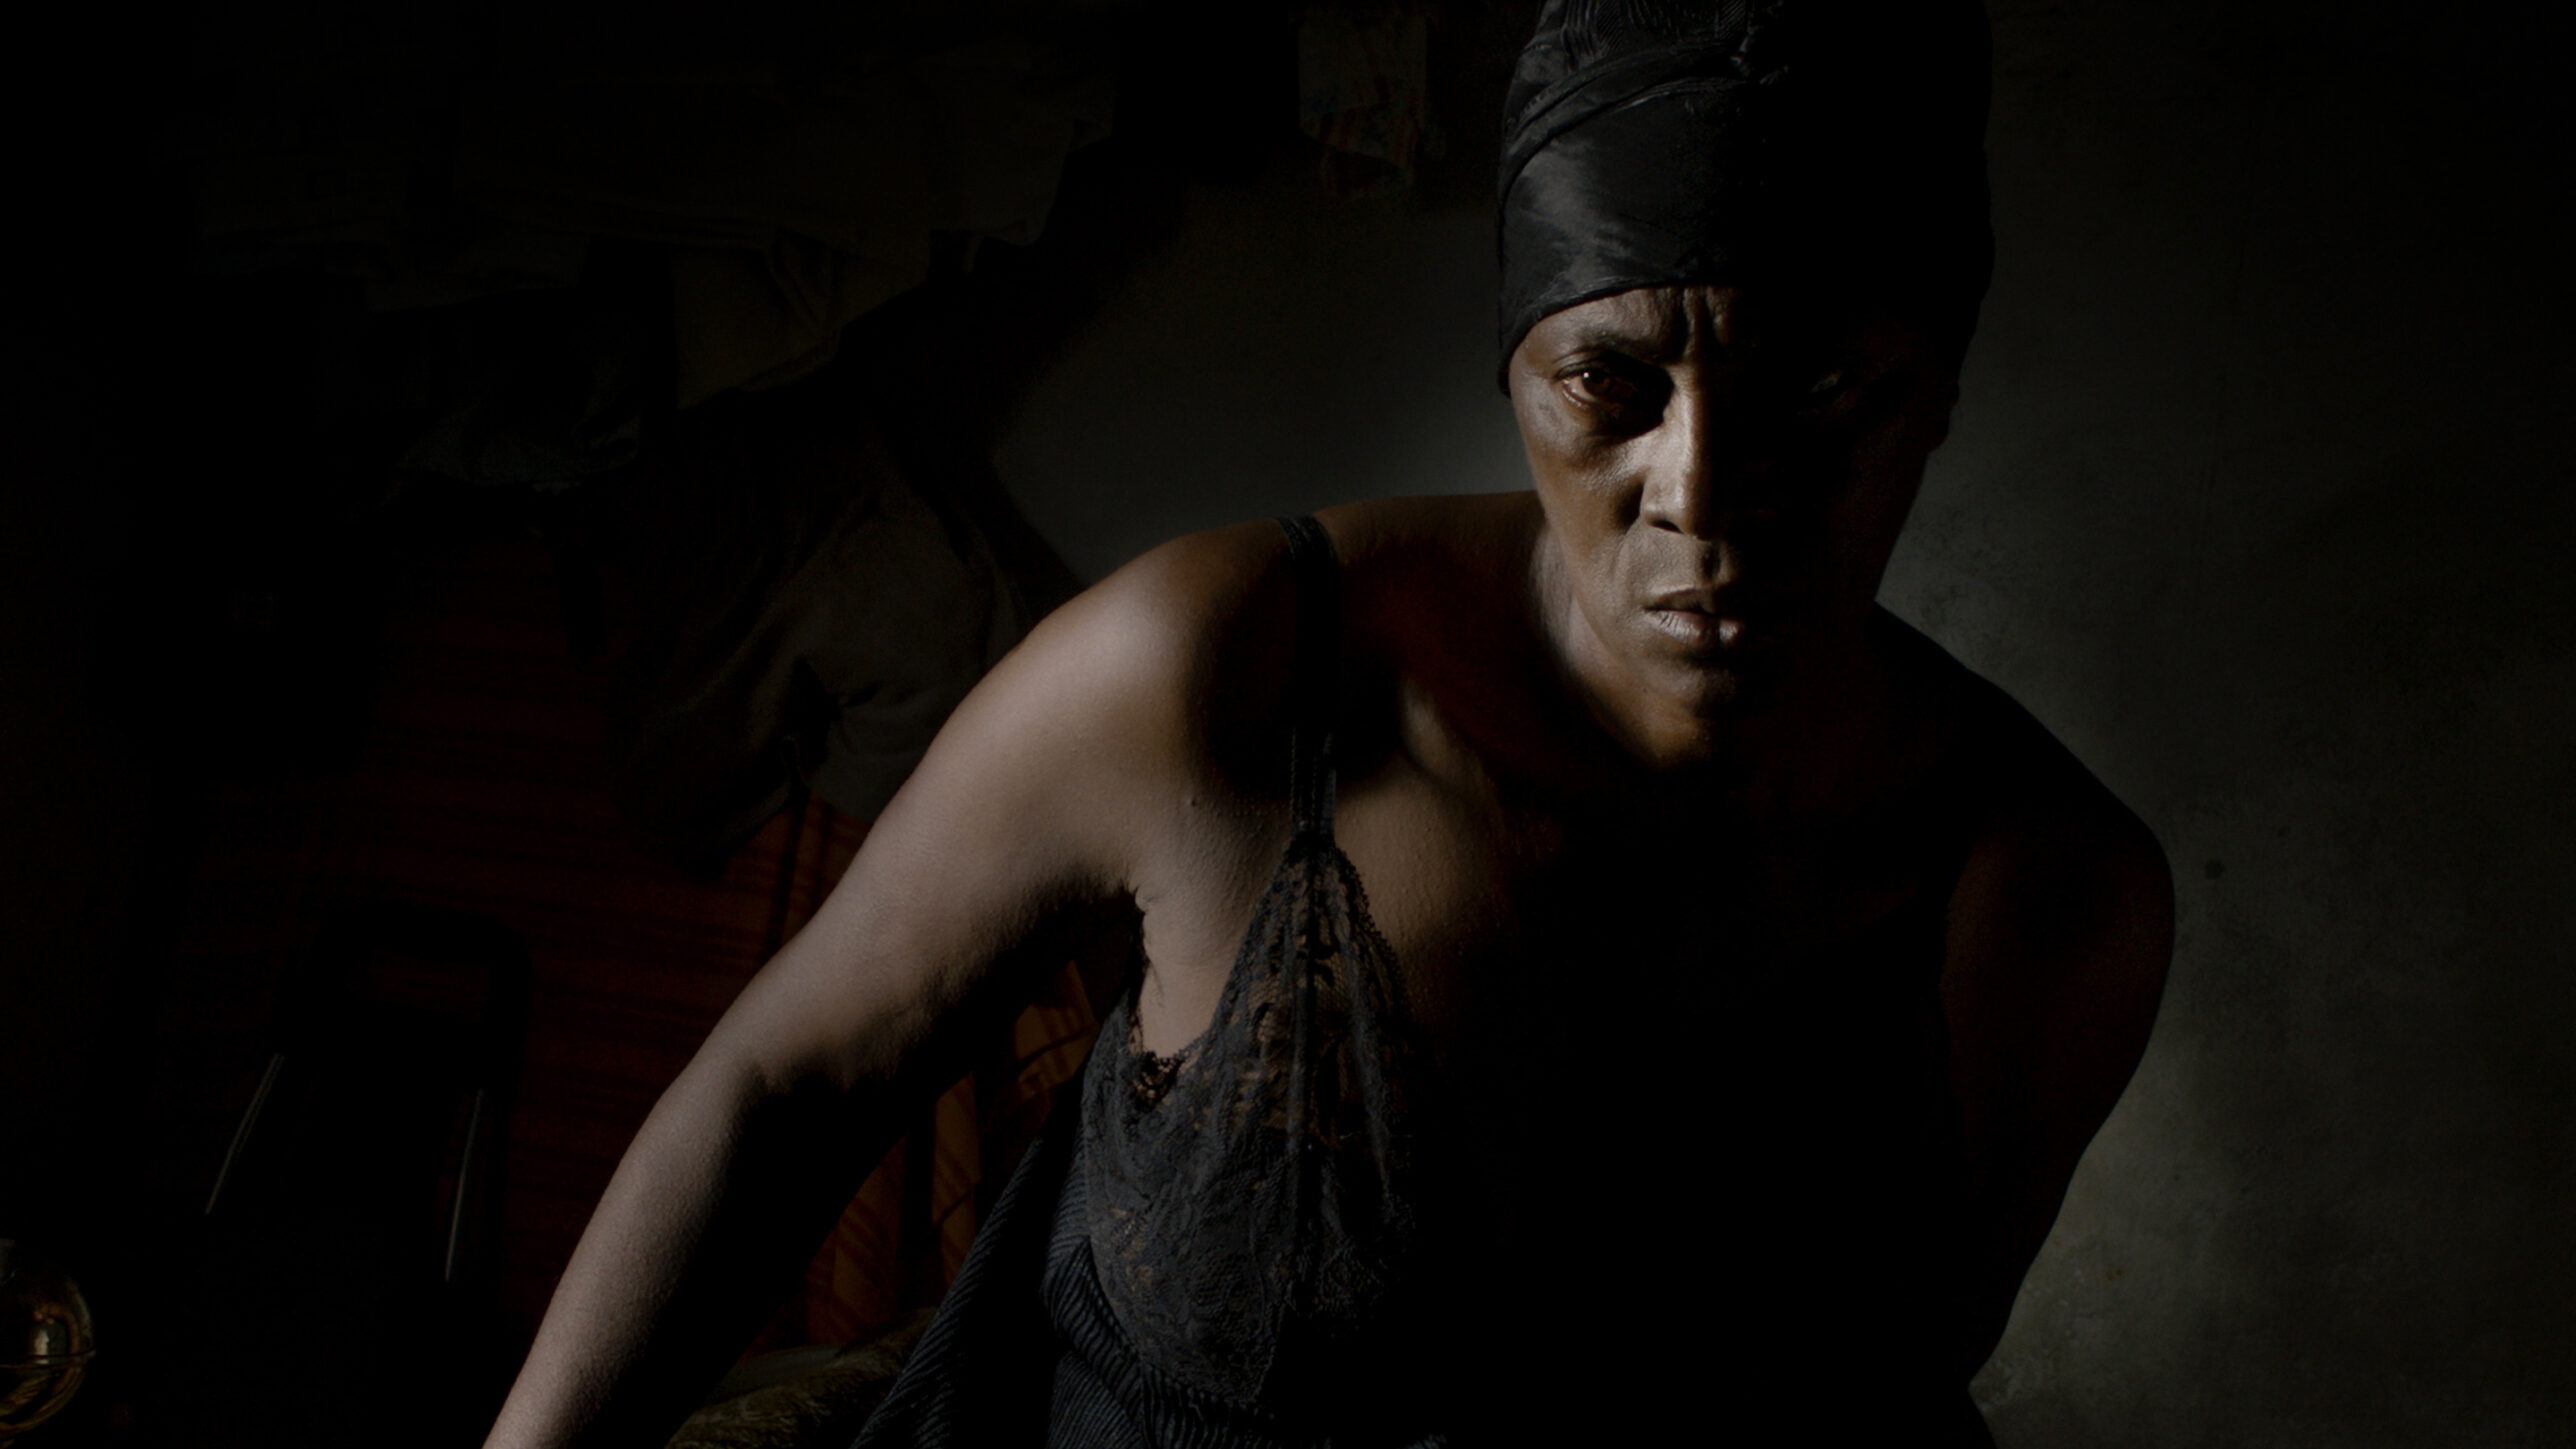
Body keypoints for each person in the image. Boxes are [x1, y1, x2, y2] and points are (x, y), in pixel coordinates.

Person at [483, 1, 2173, 1444]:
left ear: (1935, 392)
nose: (1705, 491)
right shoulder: (1224, 677)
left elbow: (1893, 1389)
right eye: (1611, 384)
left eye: (1822, 390)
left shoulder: (2041, 901)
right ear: (1518, 365)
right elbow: (786, 1082)